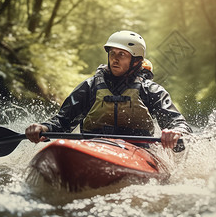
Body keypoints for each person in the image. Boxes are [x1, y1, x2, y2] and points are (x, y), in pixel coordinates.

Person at [25, 30, 192, 150]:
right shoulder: (89, 87)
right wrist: (43, 128)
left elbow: (178, 123)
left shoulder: (151, 90)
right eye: (112, 53)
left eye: (122, 54)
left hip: (138, 150)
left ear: (136, 60)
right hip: (92, 148)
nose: (115, 59)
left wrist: (176, 132)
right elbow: (62, 122)